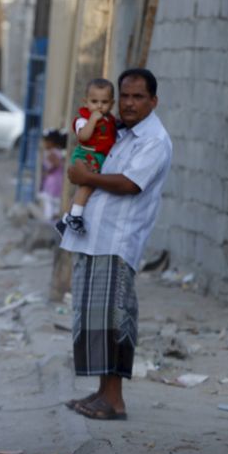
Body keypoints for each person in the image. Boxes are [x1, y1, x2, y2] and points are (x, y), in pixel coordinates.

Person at [61, 68, 172, 421]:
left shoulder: (155, 139)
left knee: (115, 318)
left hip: (119, 240)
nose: (129, 103)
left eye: (138, 97)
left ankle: (115, 400)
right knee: (93, 318)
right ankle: (101, 393)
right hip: (95, 237)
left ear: (153, 101)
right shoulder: (119, 131)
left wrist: (86, 177)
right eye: (124, 95)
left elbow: (130, 183)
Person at [56, 78, 117, 235]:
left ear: (112, 104)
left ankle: (64, 221)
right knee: (87, 185)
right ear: (85, 102)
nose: (99, 106)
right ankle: (75, 216)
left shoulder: (110, 120)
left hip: (99, 156)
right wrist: (92, 120)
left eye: (104, 102)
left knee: (83, 188)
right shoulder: (83, 119)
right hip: (85, 154)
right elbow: (83, 136)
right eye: (94, 101)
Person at [38, 128, 66, 222]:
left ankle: (49, 224)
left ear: (52, 142)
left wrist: (47, 170)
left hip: (52, 181)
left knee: (50, 203)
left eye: (46, 141)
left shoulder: (52, 153)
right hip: (56, 180)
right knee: (54, 204)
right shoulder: (57, 152)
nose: (45, 144)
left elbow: (56, 164)